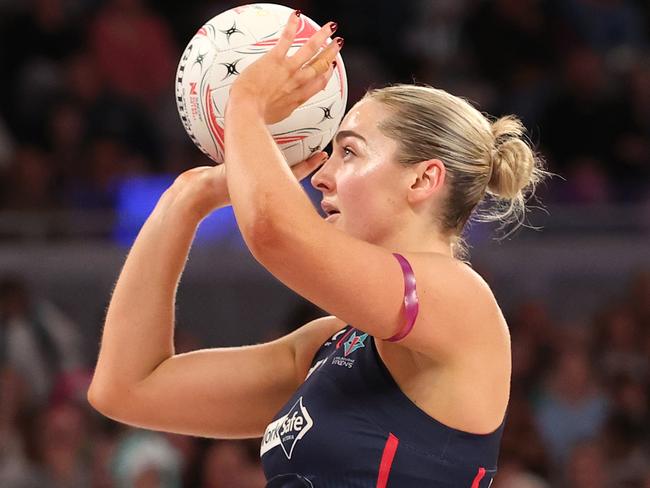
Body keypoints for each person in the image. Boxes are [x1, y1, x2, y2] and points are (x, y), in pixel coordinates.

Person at [88, 11, 548, 487]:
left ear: (423, 178)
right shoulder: (328, 345)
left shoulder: (459, 298)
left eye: (349, 152)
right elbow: (126, 388)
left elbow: (276, 235)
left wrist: (245, 103)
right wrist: (185, 200)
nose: (321, 176)